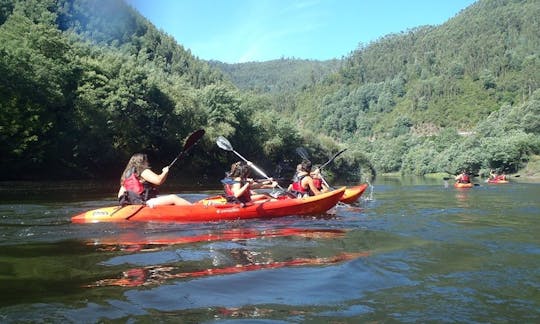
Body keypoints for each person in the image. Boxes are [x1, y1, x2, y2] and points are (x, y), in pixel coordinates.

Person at [117, 153, 191, 207]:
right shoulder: (142, 170)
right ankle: (195, 208)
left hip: (133, 205)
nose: (147, 162)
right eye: (146, 160)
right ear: (141, 162)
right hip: (145, 203)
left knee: (166, 200)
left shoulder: (126, 175)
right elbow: (159, 180)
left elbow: (120, 195)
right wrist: (165, 172)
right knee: (173, 198)